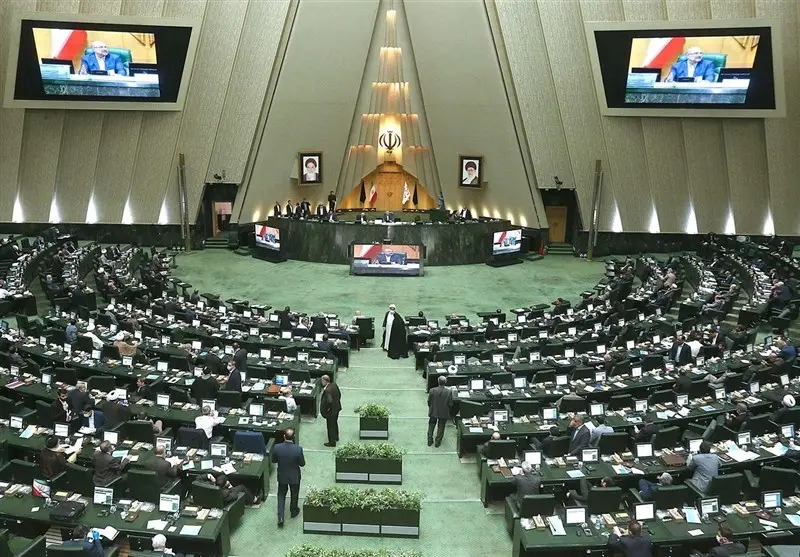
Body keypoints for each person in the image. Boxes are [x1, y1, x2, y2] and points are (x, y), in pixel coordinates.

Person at [271, 428, 305, 527]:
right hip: (294, 476)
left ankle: (280, 518)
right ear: (293, 437)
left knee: (281, 495)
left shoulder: (277, 447)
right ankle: (293, 511)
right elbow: (302, 464)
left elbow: (273, 460)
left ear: (284, 436)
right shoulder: (298, 449)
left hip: (282, 475)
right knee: (294, 493)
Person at [427, 375, 453, 448]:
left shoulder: (432, 390)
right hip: (443, 412)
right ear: (445, 382)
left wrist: (431, 407)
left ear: (438, 381)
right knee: (441, 426)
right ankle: (437, 442)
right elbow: (450, 404)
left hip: (433, 411)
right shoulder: (448, 392)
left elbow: (429, 401)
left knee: (431, 425)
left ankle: (429, 440)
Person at [320, 375, 341, 447]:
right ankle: (336, 437)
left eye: (322, 381)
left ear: (325, 381)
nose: (321, 382)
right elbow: (339, 394)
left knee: (330, 426)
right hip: (337, 408)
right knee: (335, 423)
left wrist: (327, 409)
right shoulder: (334, 385)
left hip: (331, 411)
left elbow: (329, 401)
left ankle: (332, 442)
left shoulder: (327, 390)